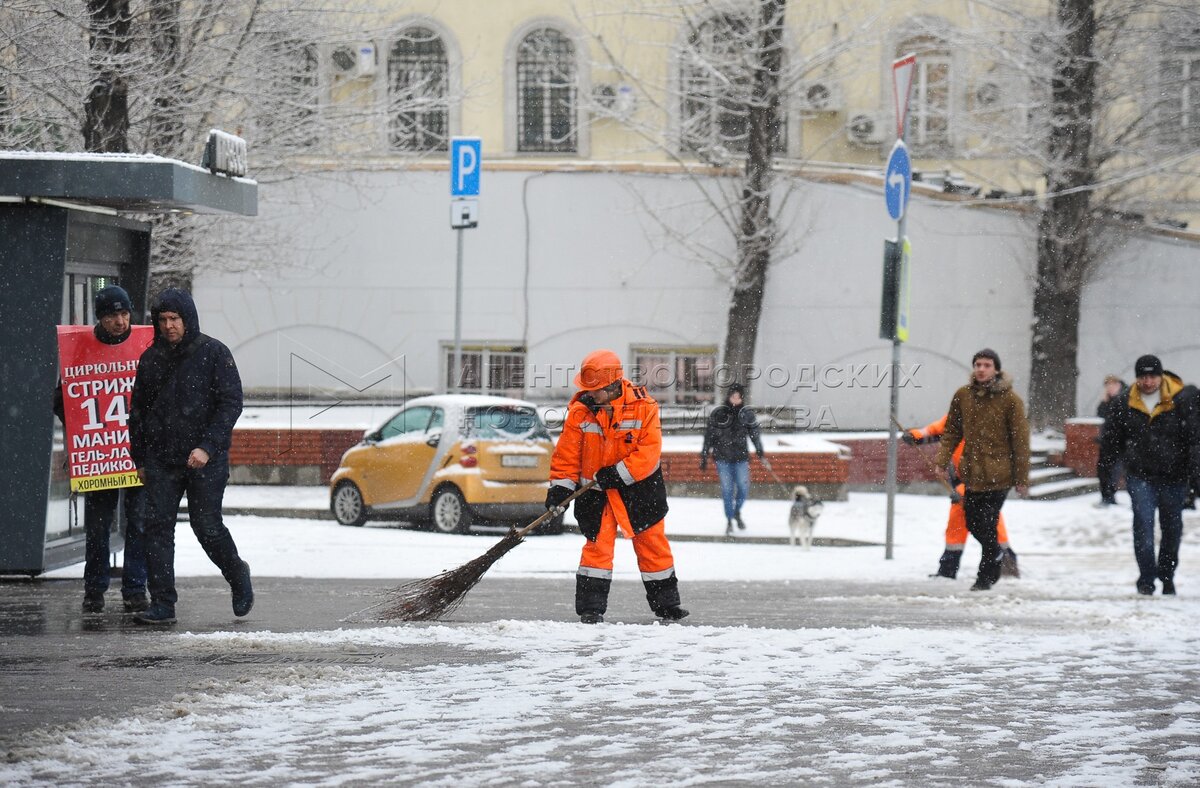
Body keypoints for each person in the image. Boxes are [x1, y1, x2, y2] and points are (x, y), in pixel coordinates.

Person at [128, 288, 252, 625]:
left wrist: (207, 446)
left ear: (188, 319)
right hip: (160, 458)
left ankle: (236, 573)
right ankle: (163, 603)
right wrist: (140, 459)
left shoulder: (214, 353)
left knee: (206, 525)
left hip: (205, 459)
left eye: (175, 319)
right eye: (163, 319)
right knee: (157, 528)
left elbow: (231, 403)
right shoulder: (150, 359)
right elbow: (138, 412)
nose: (169, 325)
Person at [546, 349, 687, 624]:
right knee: (596, 550)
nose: (590, 393)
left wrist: (617, 474)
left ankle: (668, 606)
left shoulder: (645, 407)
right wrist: (560, 489)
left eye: (595, 389)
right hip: (596, 495)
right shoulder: (580, 412)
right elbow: (567, 455)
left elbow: (648, 454)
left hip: (640, 491)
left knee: (652, 546)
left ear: (611, 386)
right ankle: (591, 609)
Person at [53, 285, 149, 614]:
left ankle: (135, 589)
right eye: (112, 316)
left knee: (139, 522)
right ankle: (94, 589)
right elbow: (63, 398)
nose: (120, 322)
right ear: (100, 318)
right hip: (101, 455)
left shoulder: (146, 346)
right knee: (98, 527)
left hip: (137, 452)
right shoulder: (80, 349)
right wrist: (81, 428)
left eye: (124, 314)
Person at [1099, 355, 1200, 596]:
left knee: (1171, 529)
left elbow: (1194, 440)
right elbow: (1111, 442)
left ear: (1160, 376)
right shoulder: (1125, 403)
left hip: (1174, 475)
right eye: (1143, 376)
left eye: (1152, 376)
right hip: (1140, 475)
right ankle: (1146, 578)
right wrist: (1106, 476)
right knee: (1143, 525)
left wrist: (1194, 477)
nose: (1148, 381)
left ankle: (1167, 575)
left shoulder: (1181, 399)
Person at [933, 349, 1030, 591]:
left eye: (987, 365)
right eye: (978, 364)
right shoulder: (963, 395)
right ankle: (995, 554)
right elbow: (951, 431)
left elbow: (1020, 442)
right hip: (972, 473)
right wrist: (941, 461)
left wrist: (1021, 478)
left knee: (987, 522)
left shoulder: (1010, 400)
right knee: (974, 521)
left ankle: (984, 578)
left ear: (996, 369)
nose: (981, 369)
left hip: (1000, 474)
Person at [904, 414, 1020, 580]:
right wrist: (914, 435)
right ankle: (948, 570)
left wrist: (964, 490)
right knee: (956, 528)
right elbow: (932, 431)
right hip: (962, 483)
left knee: (990, 524)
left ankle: (1005, 565)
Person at [700, 383, 766, 535]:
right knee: (727, 490)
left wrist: (759, 450)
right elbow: (709, 435)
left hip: (741, 457)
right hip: (722, 458)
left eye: (738, 397)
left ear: (742, 398)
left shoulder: (747, 414)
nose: (736, 399)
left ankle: (736, 512)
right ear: (729, 397)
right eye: (733, 396)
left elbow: (754, 434)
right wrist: (704, 455)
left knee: (743, 487)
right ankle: (729, 519)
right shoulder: (719, 413)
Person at [1095, 374, 1126, 507]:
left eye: (1112, 385)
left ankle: (1110, 495)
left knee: (1115, 470)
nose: (1110, 388)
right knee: (1103, 469)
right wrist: (1104, 401)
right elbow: (1101, 414)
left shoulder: (1124, 398)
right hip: (1107, 440)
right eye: (1108, 385)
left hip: (1120, 441)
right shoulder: (1108, 400)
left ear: (1118, 385)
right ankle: (1106, 496)